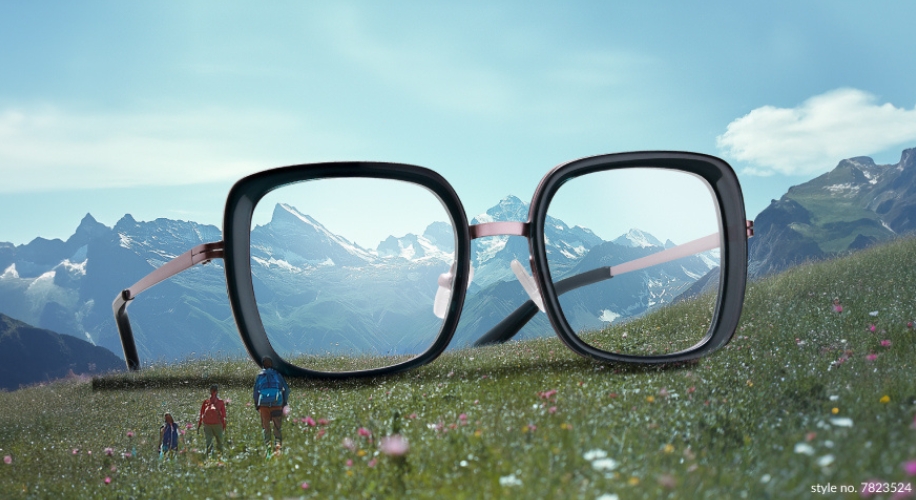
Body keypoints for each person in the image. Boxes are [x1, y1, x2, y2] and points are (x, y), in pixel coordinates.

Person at [253, 356, 290, 454]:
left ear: (263, 365)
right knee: (277, 426)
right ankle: (278, 449)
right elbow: (286, 389)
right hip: (276, 403)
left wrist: (257, 404)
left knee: (266, 427)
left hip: (263, 404)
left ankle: (268, 449)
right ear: (272, 364)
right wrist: (284, 402)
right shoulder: (277, 375)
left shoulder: (260, 376)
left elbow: (256, 392)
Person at [197, 384, 227, 457]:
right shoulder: (220, 402)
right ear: (217, 391)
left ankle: (210, 457)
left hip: (208, 424)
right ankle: (220, 457)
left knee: (209, 442)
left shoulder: (206, 402)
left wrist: (199, 425)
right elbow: (223, 416)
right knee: (219, 442)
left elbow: (201, 414)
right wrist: (224, 425)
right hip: (217, 424)